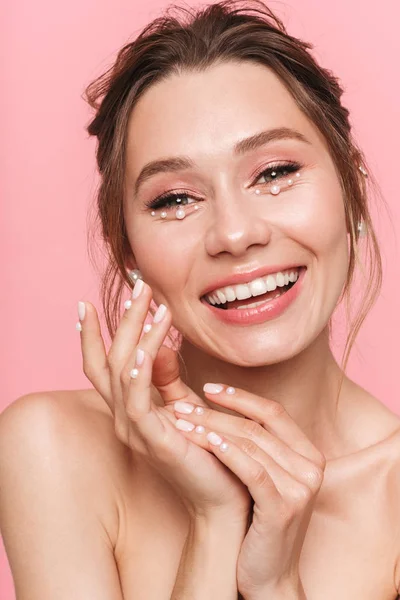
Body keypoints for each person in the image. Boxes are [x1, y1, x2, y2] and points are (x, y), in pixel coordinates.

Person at [1, 0, 399, 598]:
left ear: (351, 192)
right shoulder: (51, 448)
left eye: (275, 172)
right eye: (174, 200)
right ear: (128, 251)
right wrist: (215, 521)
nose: (236, 234)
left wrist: (274, 587)